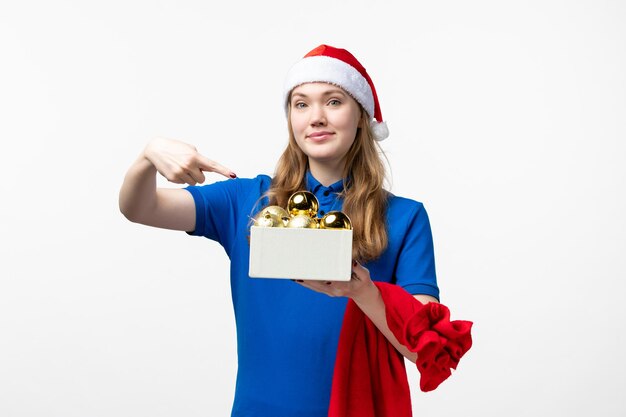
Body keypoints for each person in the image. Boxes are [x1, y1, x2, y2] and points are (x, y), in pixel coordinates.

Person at [119, 44, 440, 417]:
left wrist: (363, 293)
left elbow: (424, 349)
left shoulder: (404, 217)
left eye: (334, 101)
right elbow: (139, 208)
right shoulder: (248, 200)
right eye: (301, 104)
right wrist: (147, 157)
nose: (316, 117)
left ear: (361, 116)